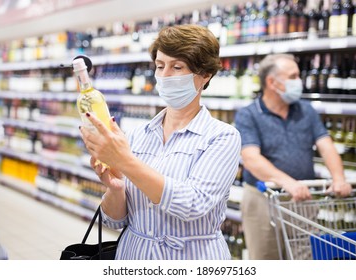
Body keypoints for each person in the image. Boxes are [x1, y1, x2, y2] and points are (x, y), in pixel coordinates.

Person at [80, 24, 241, 260]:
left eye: (177, 67)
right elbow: (115, 220)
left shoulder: (222, 137)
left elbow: (192, 204)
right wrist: (116, 190)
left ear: (205, 75)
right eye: (159, 66)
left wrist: (124, 161)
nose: (164, 76)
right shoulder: (137, 134)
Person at [234, 53, 352, 260]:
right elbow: (251, 158)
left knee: (304, 260)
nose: (300, 81)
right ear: (272, 82)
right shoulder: (249, 114)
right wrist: (287, 183)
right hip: (262, 199)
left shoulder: (306, 111)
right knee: (265, 260)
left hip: (303, 198)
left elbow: (326, 146)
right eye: (293, 76)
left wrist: (339, 178)